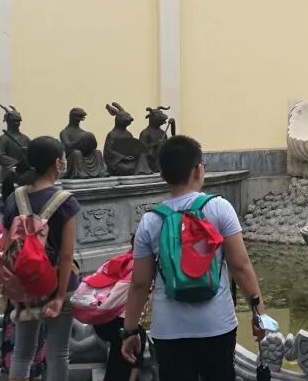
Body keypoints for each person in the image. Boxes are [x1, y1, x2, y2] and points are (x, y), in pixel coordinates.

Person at [120, 135, 266, 381]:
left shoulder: (150, 221)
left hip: (169, 331)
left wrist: (130, 331)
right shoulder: (219, 208)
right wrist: (258, 312)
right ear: (198, 169)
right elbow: (240, 266)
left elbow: (139, 284)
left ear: (163, 174)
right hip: (216, 325)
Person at [2, 136, 80, 381]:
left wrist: (8, 291)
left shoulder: (15, 198)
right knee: (58, 353)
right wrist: (59, 297)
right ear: (57, 163)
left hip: (26, 283)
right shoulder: (66, 201)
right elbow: (66, 255)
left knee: (23, 352)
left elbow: (5, 250)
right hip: (58, 282)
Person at [91, 234, 137, 381]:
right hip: (115, 321)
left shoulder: (119, 260)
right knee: (133, 336)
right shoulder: (139, 265)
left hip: (99, 318)